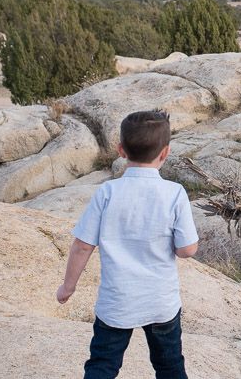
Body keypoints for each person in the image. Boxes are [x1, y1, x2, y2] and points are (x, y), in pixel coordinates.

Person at [56, 110, 199, 379]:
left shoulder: (107, 193)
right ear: (165, 152)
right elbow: (187, 250)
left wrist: (68, 286)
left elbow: (83, 246)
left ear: (121, 150)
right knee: (169, 367)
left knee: (102, 365)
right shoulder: (174, 193)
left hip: (116, 302)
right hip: (160, 302)